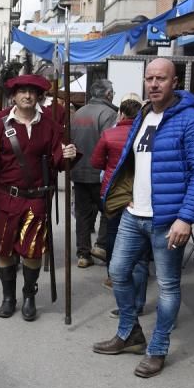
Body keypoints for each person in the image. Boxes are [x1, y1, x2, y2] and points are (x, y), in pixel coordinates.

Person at [92, 58, 194, 378]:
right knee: (117, 272)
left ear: (175, 82)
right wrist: (128, 192)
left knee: (168, 286)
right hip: (135, 214)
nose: (154, 84)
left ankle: (157, 349)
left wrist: (186, 218)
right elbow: (136, 162)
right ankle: (130, 333)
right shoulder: (143, 114)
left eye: (161, 78)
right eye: (150, 78)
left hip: (169, 220)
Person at [0, 75, 77, 321]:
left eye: (32, 92)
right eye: (22, 91)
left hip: (37, 199)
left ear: (38, 96)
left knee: (33, 252)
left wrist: (68, 154)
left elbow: (57, 163)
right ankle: (8, 297)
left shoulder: (51, 127)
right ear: (14, 96)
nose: (27, 96)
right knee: (4, 249)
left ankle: (29, 295)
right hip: (5, 197)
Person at [92, 95, 150, 316]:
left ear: (121, 114)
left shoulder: (110, 134)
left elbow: (96, 162)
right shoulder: (146, 136)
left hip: (115, 195)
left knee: (115, 244)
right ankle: (139, 303)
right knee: (142, 256)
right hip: (141, 196)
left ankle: (116, 286)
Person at [71, 79, 118, 268]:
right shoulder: (109, 113)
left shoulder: (78, 113)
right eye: (112, 92)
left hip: (78, 171)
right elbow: (110, 144)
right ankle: (100, 245)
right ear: (107, 94)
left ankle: (83, 254)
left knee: (82, 214)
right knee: (109, 211)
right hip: (100, 173)